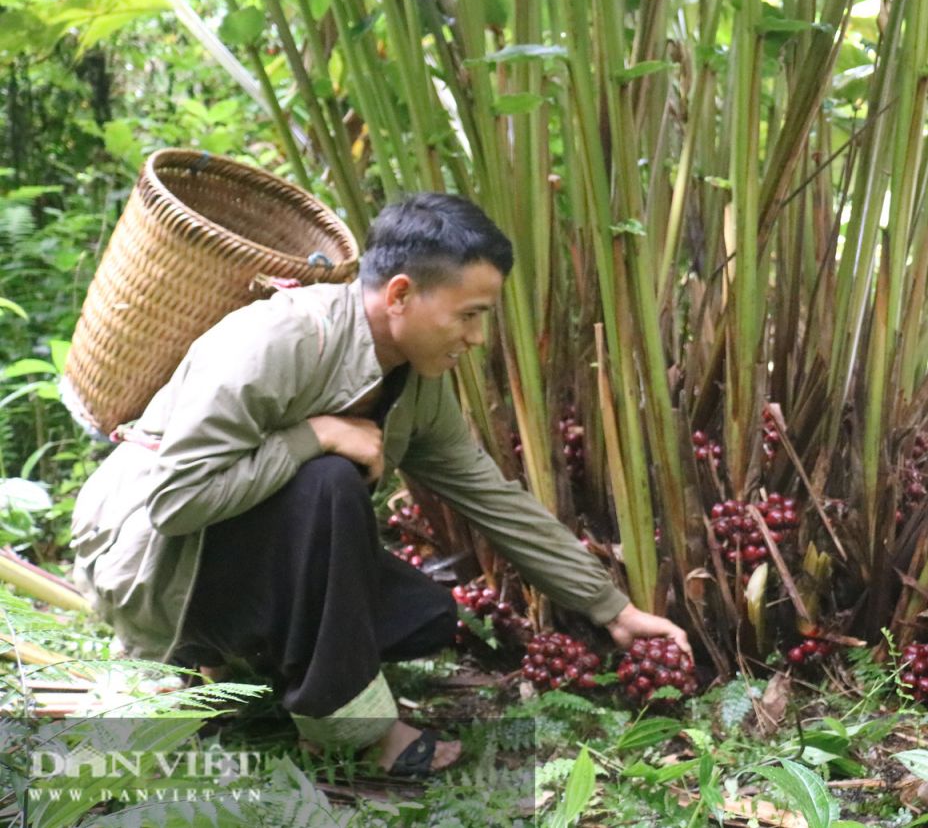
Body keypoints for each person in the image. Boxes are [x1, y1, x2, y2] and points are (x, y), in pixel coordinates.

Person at [71, 193, 689, 775]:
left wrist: (613, 608)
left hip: (227, 561)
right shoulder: (279, 339)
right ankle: (356, 729)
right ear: (400, 294)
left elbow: (492, 499)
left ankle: (221, 667)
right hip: (153, 567)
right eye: (469, 316)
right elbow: (178, 505)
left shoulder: (416, 384)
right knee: (331, 482)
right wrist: (315, 435)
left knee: (424, 616)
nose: (476, 339)